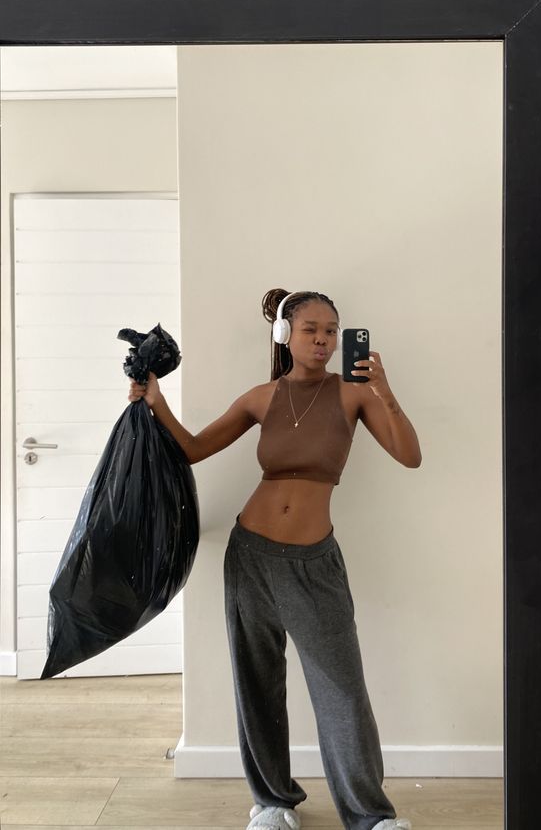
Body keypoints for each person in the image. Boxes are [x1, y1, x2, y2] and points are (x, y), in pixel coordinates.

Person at [128, 289, 421, 830]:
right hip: (251, 555)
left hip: (314, 562)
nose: (324, 340)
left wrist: (385, 391)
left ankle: (370, 815)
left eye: (331, 330)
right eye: (311, 329)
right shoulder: (261, 398)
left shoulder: (353, 395)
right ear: (286, 335)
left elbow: (410, 456)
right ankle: (273, 802)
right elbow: (192, 448)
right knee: (257, 681)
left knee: (342, 689)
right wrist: (155, 400)